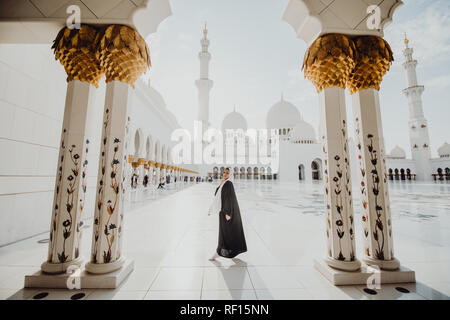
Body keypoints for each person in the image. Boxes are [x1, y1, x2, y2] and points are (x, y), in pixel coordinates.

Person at [209, 168, 247, 260]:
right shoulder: (225, 183)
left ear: (230, 174)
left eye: (227, 173)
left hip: (227, 212)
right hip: (224, 211)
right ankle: (220, 251)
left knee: (226, 233)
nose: (225, 174)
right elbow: (216, 194)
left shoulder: (229, 183)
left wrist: (228, 213)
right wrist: (221, 183)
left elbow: (230, 199)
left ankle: (219, 251)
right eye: (224, 173)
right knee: (225, 232)